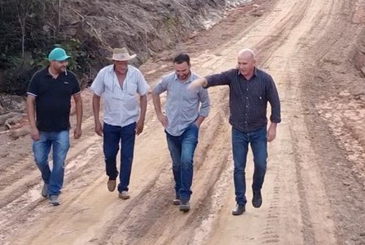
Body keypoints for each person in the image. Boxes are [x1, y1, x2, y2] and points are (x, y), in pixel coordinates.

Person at [189, 48, 280, 216]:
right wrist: (201, 81)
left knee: (261, 164)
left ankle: (256, 189)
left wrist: (273, 126)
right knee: (239, 167)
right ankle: (240, 201)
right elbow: (217, 78)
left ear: (254, 62)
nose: (241, 66)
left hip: (258, 130)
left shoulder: (266, 80)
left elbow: (275, 103)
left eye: (244, 63)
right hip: (238, 130)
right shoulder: (232, 76)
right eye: (239, 63)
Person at [151, 53, 211, 212]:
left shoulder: (199, 82)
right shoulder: (168, 80)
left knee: (186, 160)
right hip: (171, 129)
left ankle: (185, 197)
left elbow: (206, 105)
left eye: (183, 70)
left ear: (189, 66)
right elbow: (155, 92)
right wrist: (159, 114)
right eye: (177, 70)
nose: (181, 73)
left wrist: (197, 124)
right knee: (177, 164)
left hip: (189, 128)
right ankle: (178, 191)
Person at [26, 46, 82, 207]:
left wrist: (78, 125)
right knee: (40, 160)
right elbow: (30, 101)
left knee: (59, 162)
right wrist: (32, 126)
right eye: (61, 61)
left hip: (62, 129)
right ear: (52, 62)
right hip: (42, 129)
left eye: (65, 61)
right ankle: (48, 180)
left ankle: (54, 192)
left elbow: (78, 100)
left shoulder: (70, 78)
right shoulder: (38, 78)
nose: (65, 64)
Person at [91, 47, 149, 199]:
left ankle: (123, 187)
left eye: (126, 62)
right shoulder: (104, 74)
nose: (124, 66)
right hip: (110, 121)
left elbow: (144, 95)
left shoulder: (135, 74)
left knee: (127, 155)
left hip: (129, 121)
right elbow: (96, 96)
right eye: (121, 63)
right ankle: (112, 174)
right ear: (115, 62)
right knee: (109, 154)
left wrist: (141, 119)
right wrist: (96, 120)